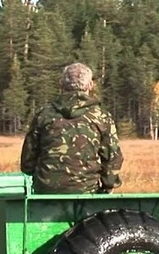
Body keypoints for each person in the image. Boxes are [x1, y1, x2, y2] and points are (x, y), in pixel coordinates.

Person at [20, 62, 123, 194]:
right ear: (90, 85)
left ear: (61, 84)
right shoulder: (101, 116)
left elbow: (27, 161)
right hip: (87, 191)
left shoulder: (44, 114)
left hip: (46, 191)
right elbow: (112, 157)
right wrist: (108, 186)